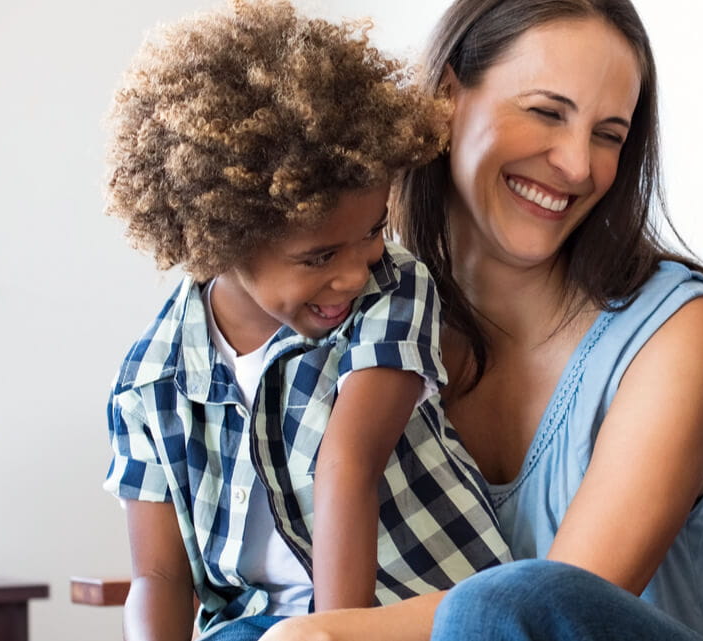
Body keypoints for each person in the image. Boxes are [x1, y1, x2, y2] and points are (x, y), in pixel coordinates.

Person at [259, 1, 703, 640]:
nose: (577, 165)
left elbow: (548, 609)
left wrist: (328, 633)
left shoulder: (679, 328)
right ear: (447, 96)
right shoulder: (357, 305)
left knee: (493, 607)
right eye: (546, 111)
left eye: (608, 134)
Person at [98, 2, 510, 639]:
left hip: (414, 611)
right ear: (222, 243)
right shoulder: (151, 381)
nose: (353, 272)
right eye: (319, 256)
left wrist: (332, 635)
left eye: (373, 230)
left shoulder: (393, 291)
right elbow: (160, 579)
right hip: (254, 624)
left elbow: (347, 465)